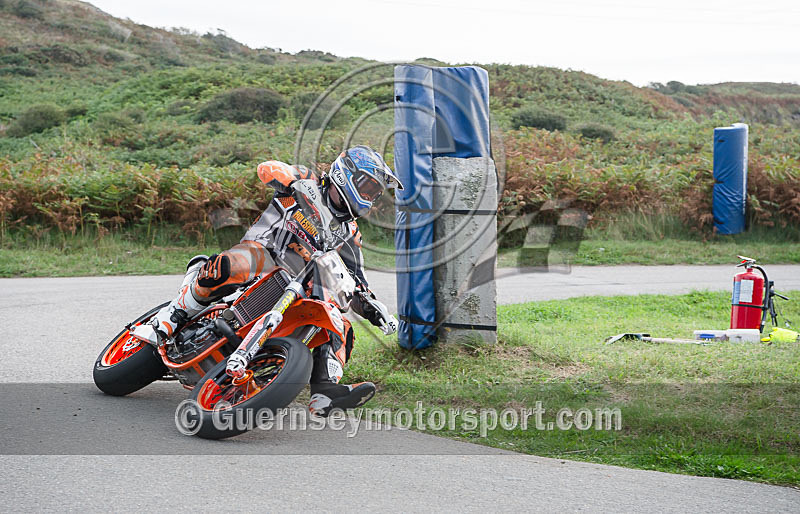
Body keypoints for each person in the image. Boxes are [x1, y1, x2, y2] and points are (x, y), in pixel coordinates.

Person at [131, 145, 402, 416]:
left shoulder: (350, 234)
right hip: (264, 256)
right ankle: (170, 318)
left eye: (374, 193)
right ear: (346, 174)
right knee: (233, 265)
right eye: (367, 187)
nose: (369, 197)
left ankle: (325, 391)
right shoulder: (308, 181)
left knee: (338, 322)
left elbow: (356, 281)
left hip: (301, 287)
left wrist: (374, 309)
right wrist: (288, 179)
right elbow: (268, 169)